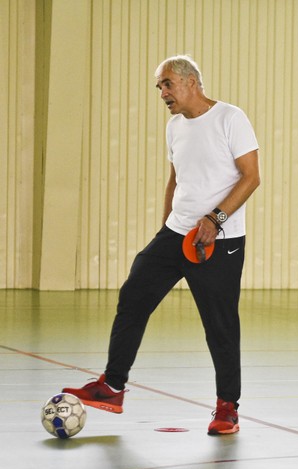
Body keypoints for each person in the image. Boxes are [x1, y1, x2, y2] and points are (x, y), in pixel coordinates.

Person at [63, 55, 260, 436]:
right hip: (176, 233)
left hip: (220, 239)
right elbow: (176, 178)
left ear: (191, 82)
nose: (162, 93)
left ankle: (227, 407)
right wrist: (166, 228)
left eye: (167, 84)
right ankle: (113, 385)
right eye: (159, 86)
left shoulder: (230, 118)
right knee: (134, 293)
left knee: (220, 324)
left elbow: (251, 178)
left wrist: (214, 220)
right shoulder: (174, 127)